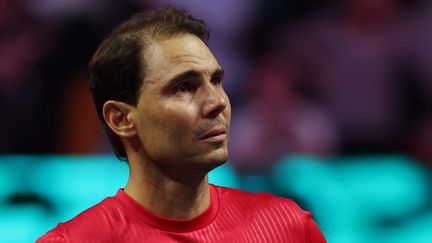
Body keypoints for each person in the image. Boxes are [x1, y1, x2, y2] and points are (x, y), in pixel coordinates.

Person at [37, 6, 326, 243]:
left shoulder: (288, 228)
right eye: (184, 87)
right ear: (122, 119)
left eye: (216, 81)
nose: (218, 102)